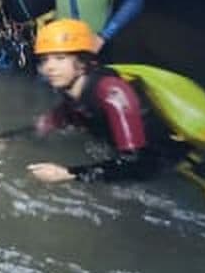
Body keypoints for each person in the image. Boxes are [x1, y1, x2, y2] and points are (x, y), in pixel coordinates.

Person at [27, 19, 192, 184]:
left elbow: (137, 164)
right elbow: (55, 119)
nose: (49, 67)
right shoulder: (71, 90)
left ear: (82, 62)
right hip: (122, 151)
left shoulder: (112, 93)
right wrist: (5, 139)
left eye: (60, 58)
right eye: (45, 60)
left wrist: (68, 174)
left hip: (164, 157)